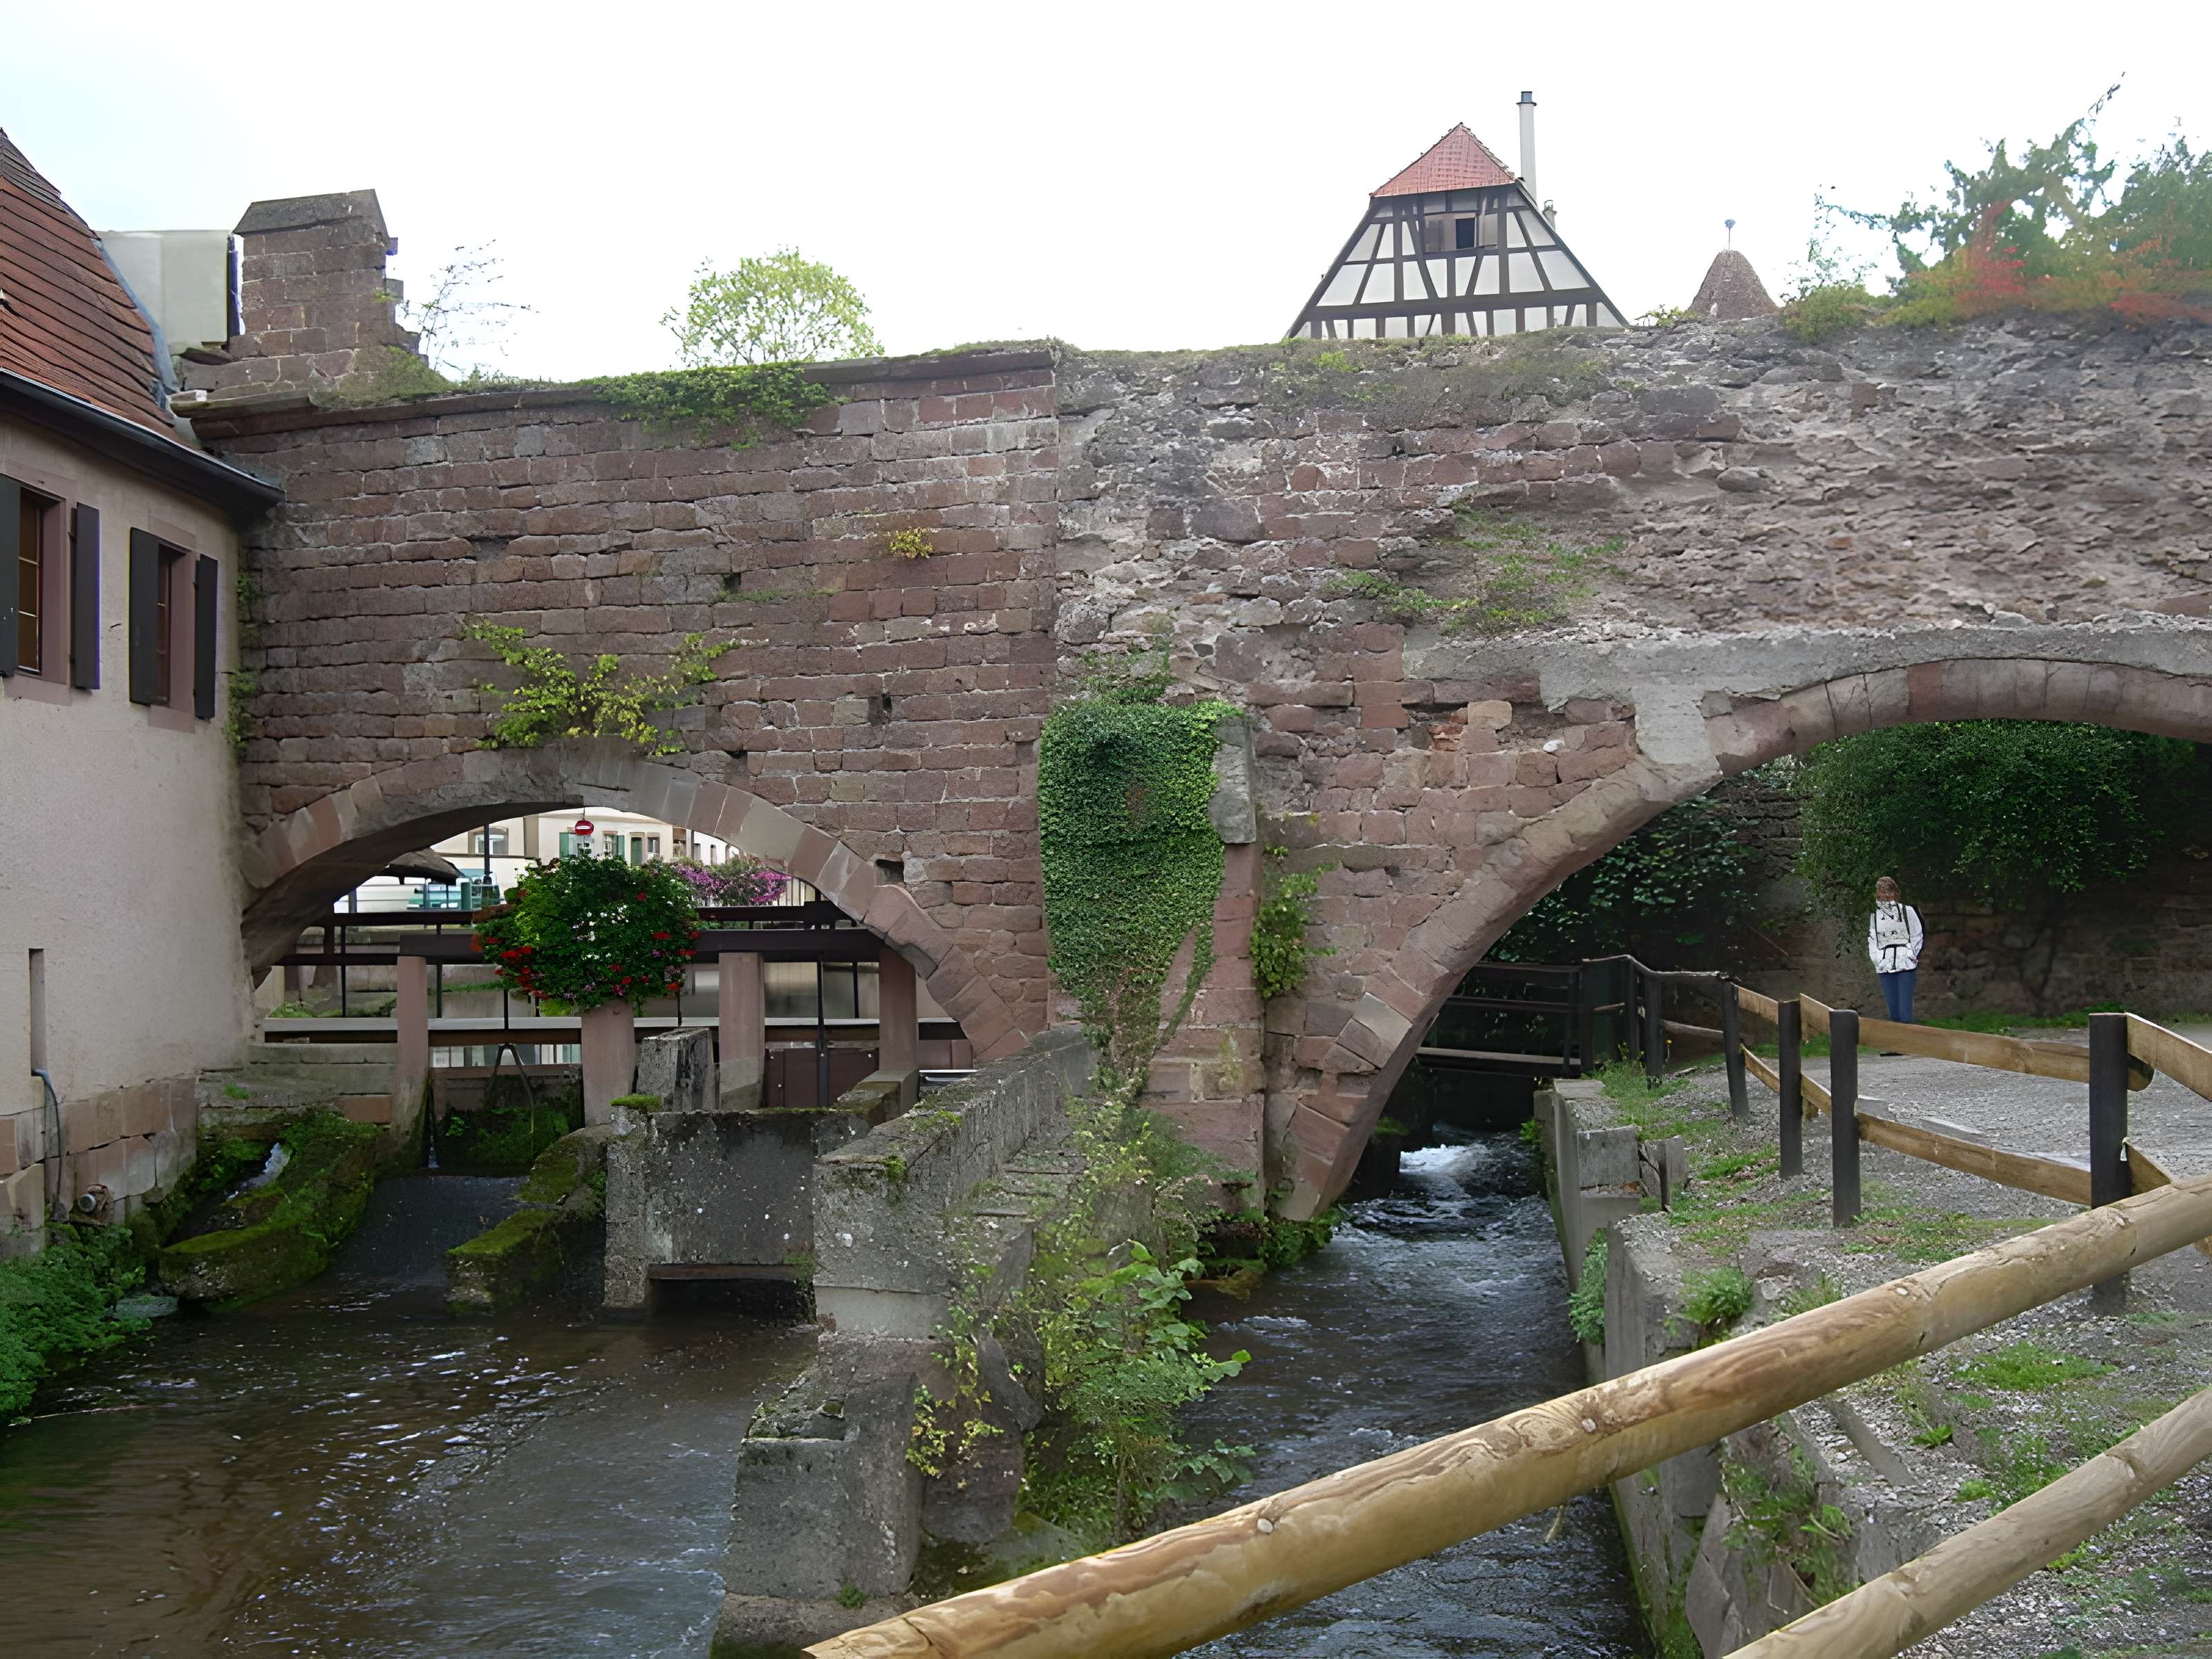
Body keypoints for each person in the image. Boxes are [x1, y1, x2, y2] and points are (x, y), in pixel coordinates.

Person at [1866, 876, 1924, 1024]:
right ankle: (1896, 1039)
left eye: (1889, 891)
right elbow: (1873, 937)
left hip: (1906, 963)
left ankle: (1908, 1037)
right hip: (1884, 965)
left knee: (1905, 1013)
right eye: (1882, 891)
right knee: (1894, 1012)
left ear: (1896, 892)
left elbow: (1917, 935)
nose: (1886, 895)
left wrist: (1911, 954)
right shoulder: (1875, 914)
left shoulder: (1907, 911)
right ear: (1877, 893)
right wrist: (1877, 959)